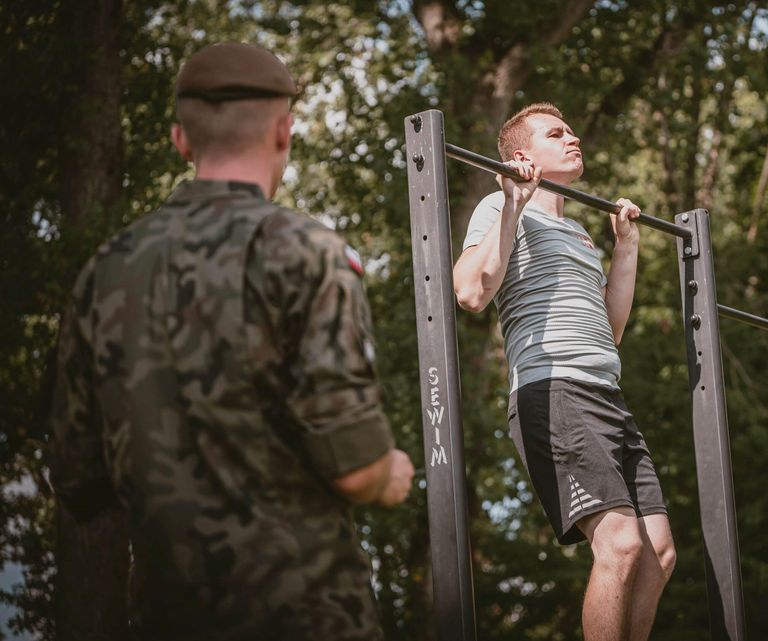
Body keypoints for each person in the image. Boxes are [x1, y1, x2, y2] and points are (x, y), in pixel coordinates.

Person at [48, 42, 413, 640]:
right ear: (283, 131)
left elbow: (77, 479)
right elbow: (355, 467)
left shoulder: (105, 272)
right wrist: (389, 472)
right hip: (307, 616)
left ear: (181, 141)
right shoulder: (306, 252)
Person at [453, 103, 676, 641]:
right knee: (620, 543)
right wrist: (513, 202)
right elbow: (470, 292)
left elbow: (611, 329)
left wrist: (626, 247)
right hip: (554, 388)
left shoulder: (576, 231)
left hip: (605, 392)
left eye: (572, 132)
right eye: (557, 134)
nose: (572, 139)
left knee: (659, 553)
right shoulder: (497, 205)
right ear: (523, 155)